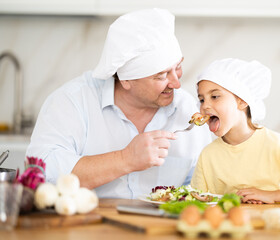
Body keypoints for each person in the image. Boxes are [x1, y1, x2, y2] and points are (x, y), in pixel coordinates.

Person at [26, 8, 212, 199]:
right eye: (162, 75)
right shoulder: (71, 102)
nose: (176, 83)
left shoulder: (188, 110)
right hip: (85, 225)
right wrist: (125, 159)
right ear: (126, 81)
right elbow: (40, 173)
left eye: (178, 67)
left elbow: (200, 187)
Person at [190, 58, 280, 204]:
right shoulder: (208, 155)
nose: (205, 106)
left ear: (242, 100)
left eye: (215, 96)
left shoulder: (277, 145)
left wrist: (270, 196)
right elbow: (197, 202)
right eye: (202, 99)